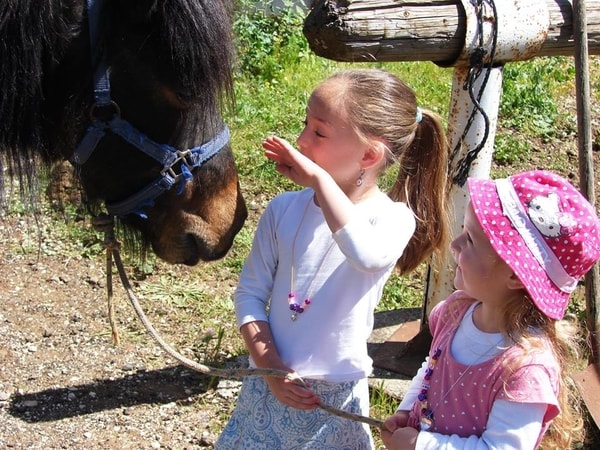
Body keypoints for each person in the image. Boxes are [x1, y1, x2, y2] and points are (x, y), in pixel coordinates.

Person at [215, 68, 451, 449]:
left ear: (370, 154)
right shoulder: (283, 210)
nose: (301, 141)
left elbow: (367, 256)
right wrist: (270, 367)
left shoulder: (391, 218)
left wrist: (320, 182)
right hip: (269, 386)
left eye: (318, 132)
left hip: (335, 398)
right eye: (304, 125)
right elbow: (249, 295)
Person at [381, 169, 600, 450]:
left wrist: (421, 445)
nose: (455, 245)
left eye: (470, 239)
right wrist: (406, 409)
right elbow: (432, 368)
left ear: (515, 276)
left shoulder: (525, 368)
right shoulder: (456, 312)